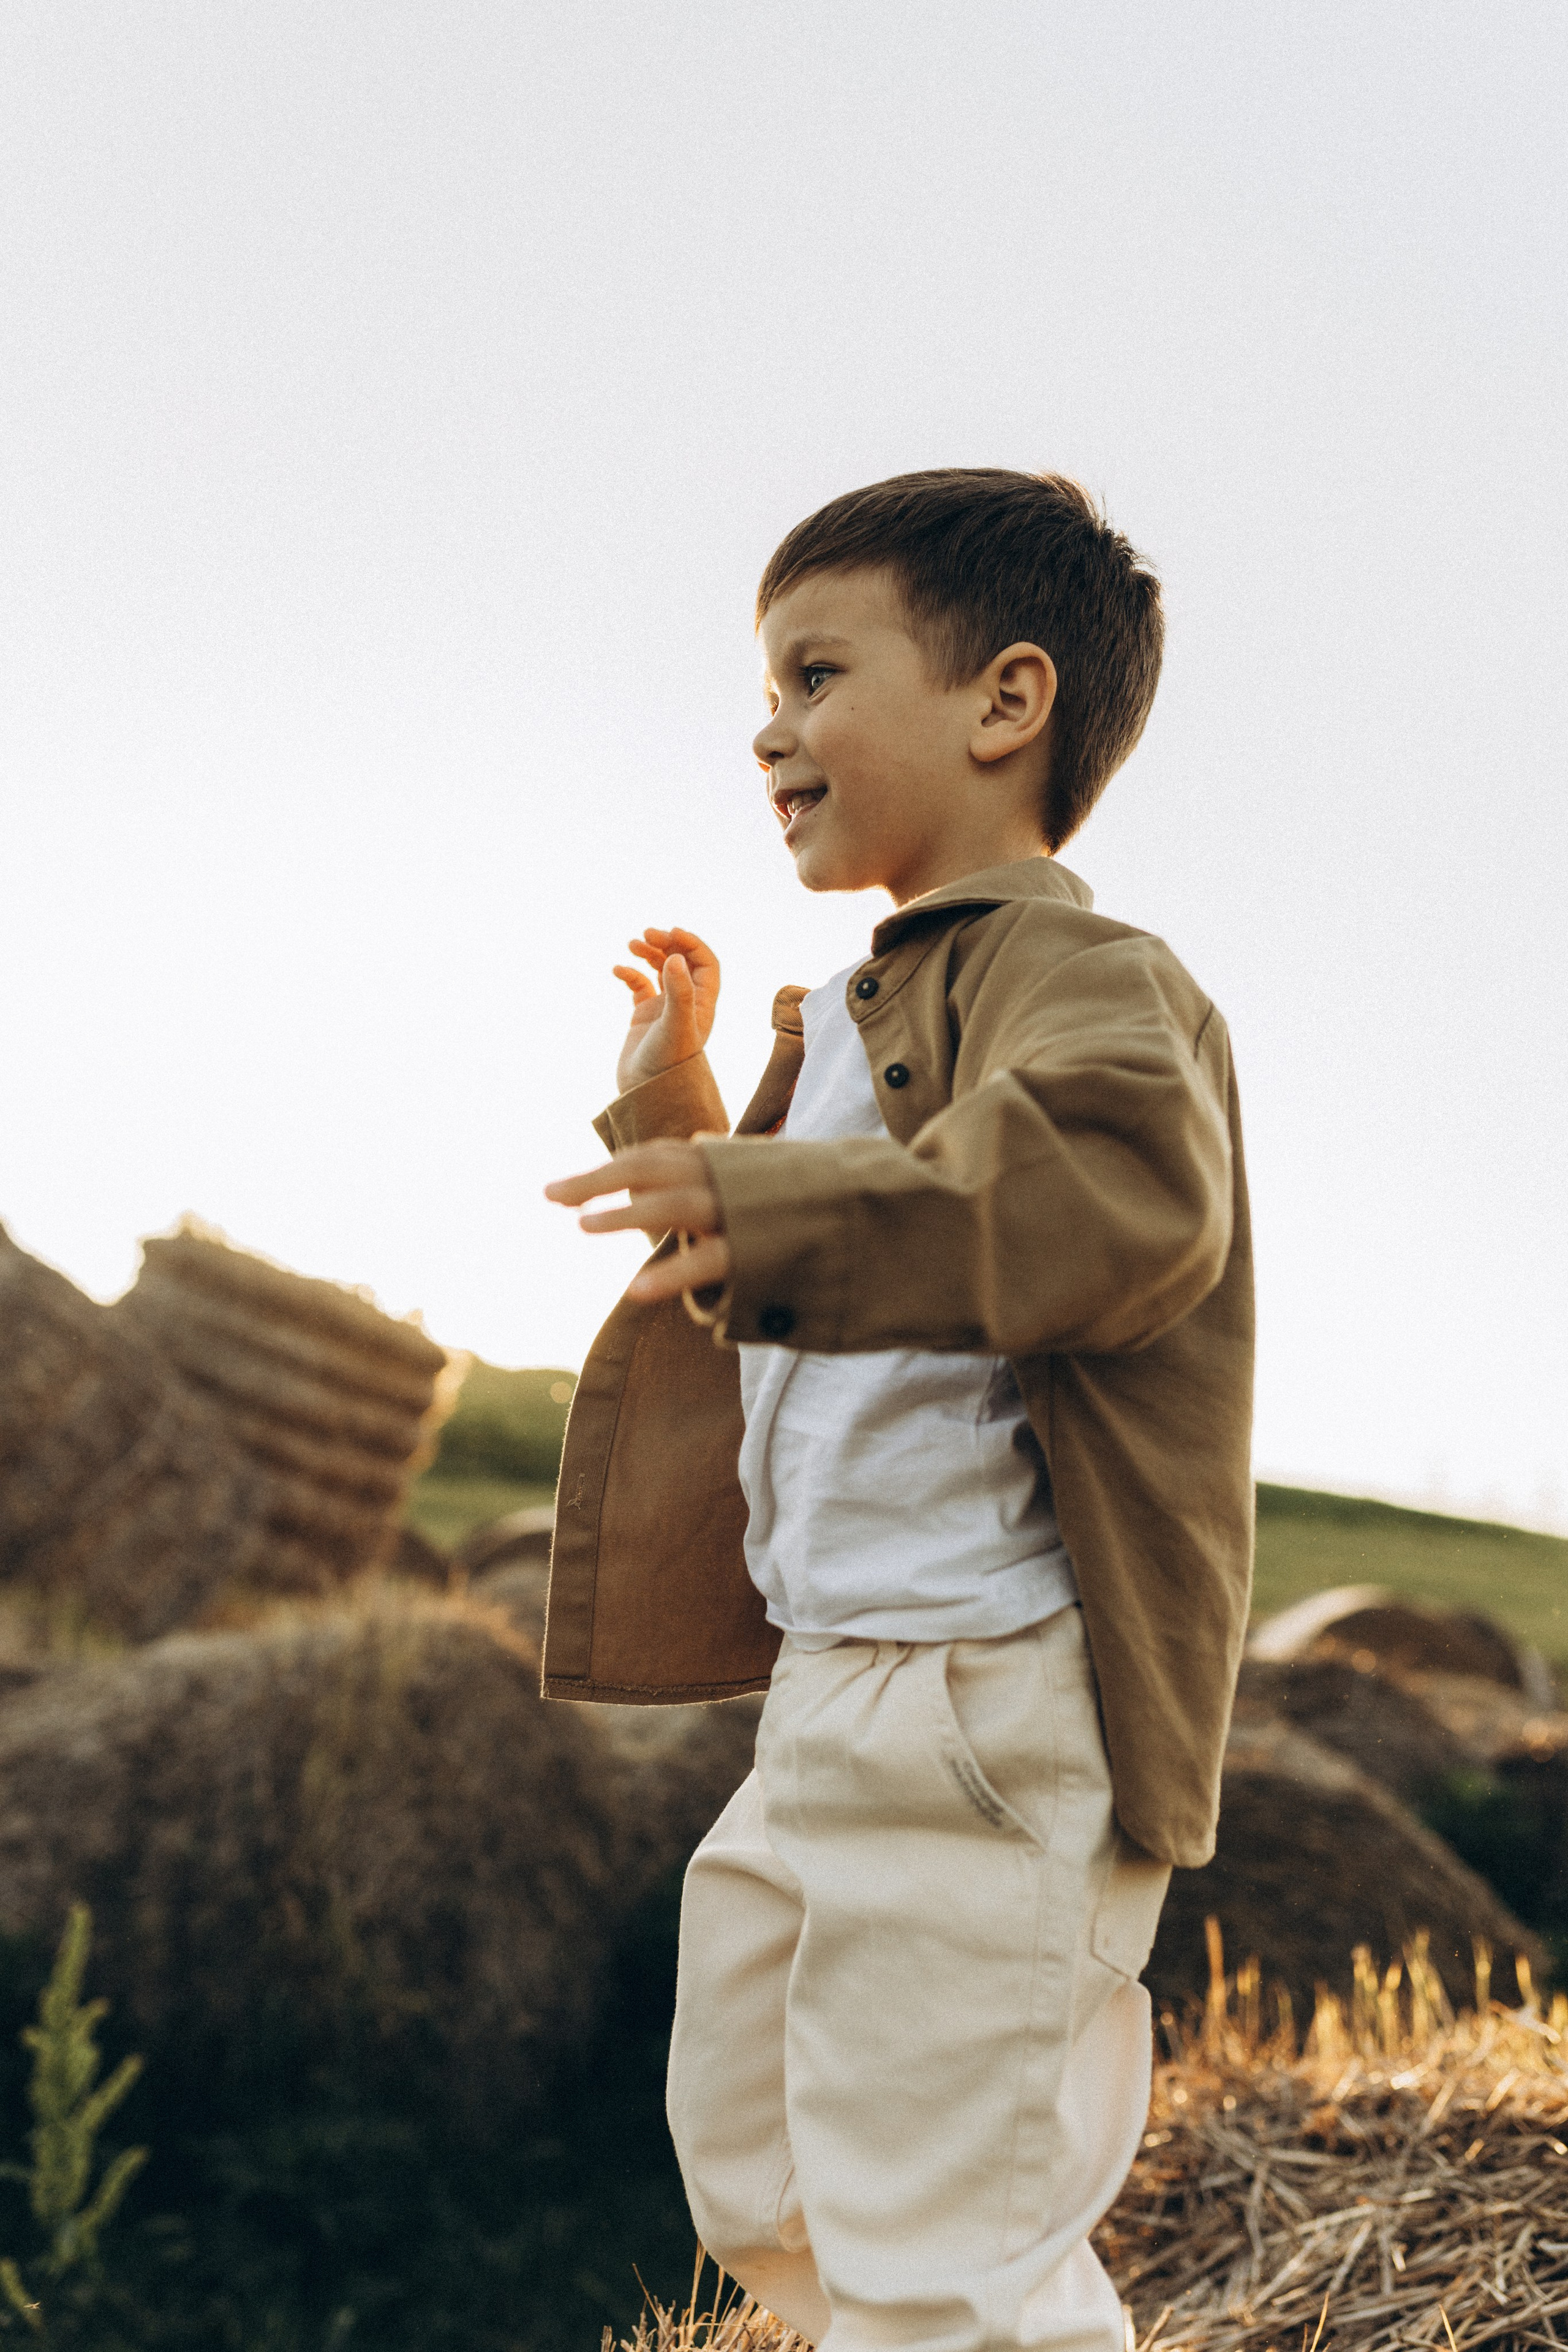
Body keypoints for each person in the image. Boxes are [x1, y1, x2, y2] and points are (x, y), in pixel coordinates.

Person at [543, 469, 1254, 2352]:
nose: (767, 726)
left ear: (1004, 702)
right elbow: (815, 1297)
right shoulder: (861, 1016)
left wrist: (751, 1194)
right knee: (756, 2164)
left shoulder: (1088, 983)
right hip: (828, 1690)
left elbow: (1101, 1204)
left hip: (987, 1697)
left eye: (813, 671)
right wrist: (687, 1124)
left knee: (938, 2241)